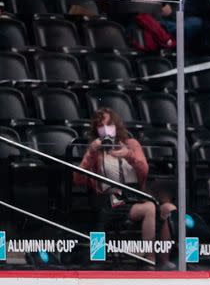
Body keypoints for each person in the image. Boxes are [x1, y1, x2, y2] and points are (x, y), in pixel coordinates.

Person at [73, 107, 176, 265]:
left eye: (109, 125)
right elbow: (78, 179)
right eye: (101, 126)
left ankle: (165, 261)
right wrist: (90, 153)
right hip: (111, 199)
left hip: (135, 195)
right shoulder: (96, 152)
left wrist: (128, 155)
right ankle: (150, 260)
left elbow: (144, 169)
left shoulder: (131, 144)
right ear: (96, 130)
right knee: (149, 208)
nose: (106, 129)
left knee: (168, 208)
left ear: (116, 126)